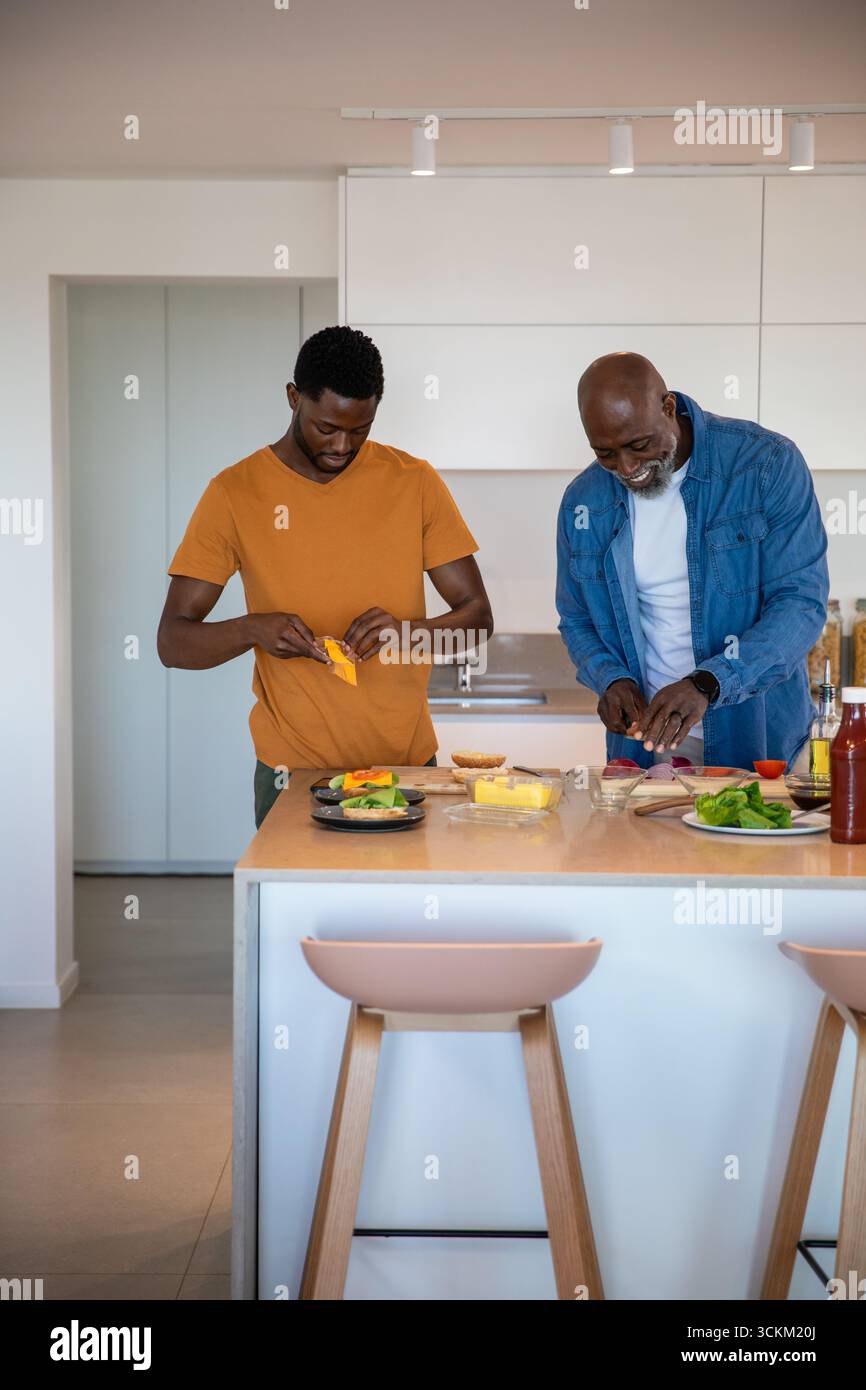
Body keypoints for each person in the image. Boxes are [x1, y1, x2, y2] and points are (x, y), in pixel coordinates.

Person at [158, 325, 493, 827]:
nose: (342, 446)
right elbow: (173, 643)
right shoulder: (233, 494)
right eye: (326, 428)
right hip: (291, 773)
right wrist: (252, 629)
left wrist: (403, 635)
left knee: (399, 908)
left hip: (405, 768)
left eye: (360, 430)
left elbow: (478, 622)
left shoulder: (415, 482)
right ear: (293, 398)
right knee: (294, 909)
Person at [556, 352, 829, 771]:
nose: (627, 468)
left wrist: (709, 682)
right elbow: (577, 619)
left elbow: (800, 604)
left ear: (668, 407)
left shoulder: (765, 465)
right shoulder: (584, 501)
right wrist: (610, 677)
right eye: (606, 454)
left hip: (758, 740)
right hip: (647, 750)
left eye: (639, 446)